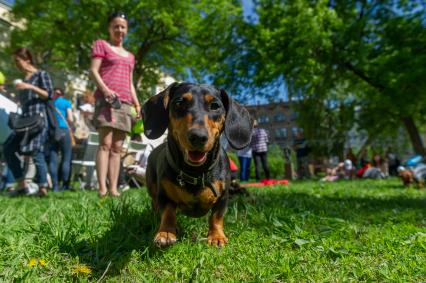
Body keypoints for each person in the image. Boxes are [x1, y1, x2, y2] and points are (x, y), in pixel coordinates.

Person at [90, 12, 141, 197]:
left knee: (118, 148)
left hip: (125, 104)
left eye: (123, 26)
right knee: (105, 143)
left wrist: (137, 104)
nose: (119, 29)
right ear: (110, 28)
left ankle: (113, 188)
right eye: (116, 26)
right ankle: (102, 188)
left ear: (126, 30)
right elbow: (94, 71)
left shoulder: (130, 56)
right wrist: (105, 90)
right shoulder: (101, 45)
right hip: (107, 100)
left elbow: (130, 82)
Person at [3, 47, 54, 197]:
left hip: (38, 119)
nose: (16, 64)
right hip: (24, 120)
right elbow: (25, 101)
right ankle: (22, 184)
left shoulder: (41, 75)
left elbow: (48, 95)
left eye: (18, 61)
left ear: (27, 59)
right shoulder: (23, 79)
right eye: (15, 62)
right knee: (8, 148)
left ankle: (43, 188)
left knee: (35, 151)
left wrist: (30, 86)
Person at [48, 87, 73, 192]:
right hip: (64, 131)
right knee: (66, 159)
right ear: (62, 94)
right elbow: (70, 119)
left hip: (52, 131)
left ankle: (55, 186)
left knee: (53, 159)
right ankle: (64, 185)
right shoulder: (66, 103)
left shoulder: (50, 102)